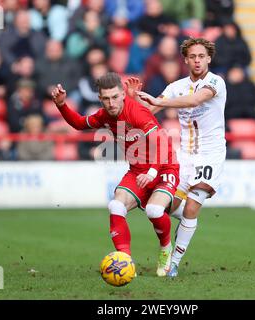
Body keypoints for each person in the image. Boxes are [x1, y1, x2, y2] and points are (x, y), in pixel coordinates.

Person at [51, 72, 179, 277]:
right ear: (100, 99)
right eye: (106, 99)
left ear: (122, 95)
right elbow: (79, 123)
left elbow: (162, 143)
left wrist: (153, 171)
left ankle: (165, 249)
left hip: (164, 166)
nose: (111, 103)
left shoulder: (136, 112)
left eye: (115, 97)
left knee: (154, 211)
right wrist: (61, 105)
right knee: (115, 205)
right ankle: (124, 261)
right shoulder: (105, 115)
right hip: (138, 170)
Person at [132, 37, 227, 277]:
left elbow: (195, 99)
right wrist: (131, 102)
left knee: (193, 206)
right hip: (183, 156)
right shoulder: (176, 86)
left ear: (208, 59)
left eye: (201, 56)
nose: (197, 60)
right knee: (160, 207)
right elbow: (149, 110)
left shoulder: (216, 82)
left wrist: (160, 104)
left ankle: (172, 262)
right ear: (185, 60)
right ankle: (186, 222)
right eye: (192, 56)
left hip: (210, 155)